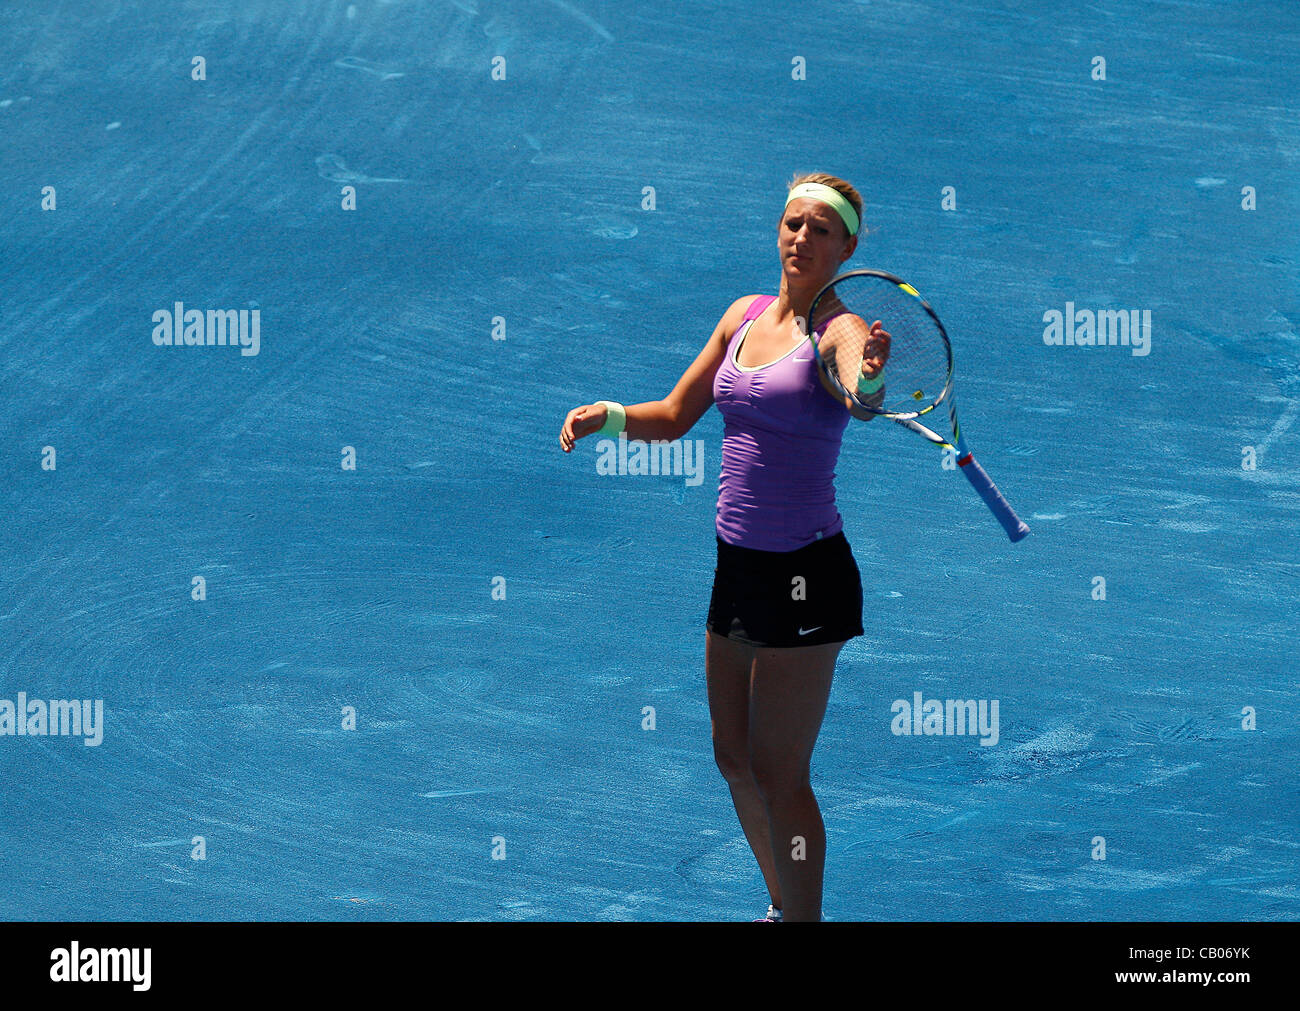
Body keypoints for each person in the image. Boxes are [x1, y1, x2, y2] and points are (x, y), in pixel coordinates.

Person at [559, 173, 890, 922]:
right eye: (792, 222)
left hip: (807, 575)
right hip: (737, 567)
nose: (801, 236)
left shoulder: (840, 331)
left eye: (820, 228)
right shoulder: (743, 316)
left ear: (847, 248)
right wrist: (608, 416)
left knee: (781, 771)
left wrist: (868, 379)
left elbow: (859, 397)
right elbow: (675, 414)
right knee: (733, 757)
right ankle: (782, 906)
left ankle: (807, 920)